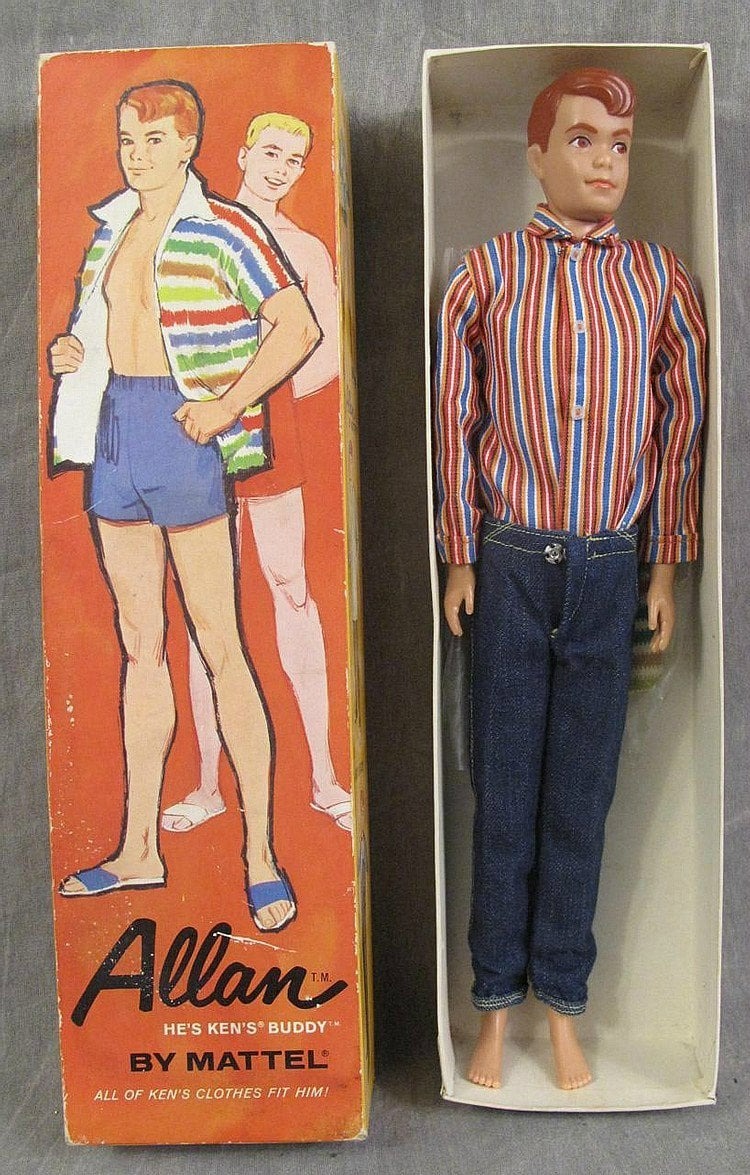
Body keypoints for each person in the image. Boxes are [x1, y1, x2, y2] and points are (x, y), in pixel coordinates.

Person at [434, 68, 706, 1089]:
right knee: (503, 798)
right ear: (538, 155)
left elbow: (680, 432)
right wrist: (459, 554)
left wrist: (664, 567)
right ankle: (492, 1007)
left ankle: (562, 1007)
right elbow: (453, 423)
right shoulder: (486, 275)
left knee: (580, 804)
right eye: (583, 140)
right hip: (509, 562)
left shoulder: (661, 283)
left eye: (621, 145)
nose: (605, 163)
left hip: (608, 568)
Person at [48, 81, 321, 932]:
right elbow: (106, 327)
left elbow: (298, 327)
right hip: (114, 432)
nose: (137, 155)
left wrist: (226, 403)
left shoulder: (225, 228)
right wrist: (74, 352)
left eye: (155, 140)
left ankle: (261, 857)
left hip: (182, 432)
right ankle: (138, 849)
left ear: (189, 145)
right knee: (141, 644)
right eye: (128, 140)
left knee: (221, 645)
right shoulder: (110, 229)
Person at [162, 112, 352, 836]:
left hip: (273, 434)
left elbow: (325, 350)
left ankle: (325, 779)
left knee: (289, 587)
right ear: (243, 154)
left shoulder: (304, 248)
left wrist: (252, 393)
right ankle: (208, 784)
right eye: (270, 152)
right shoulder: (198, 227)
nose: (280, 168)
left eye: (294, 160)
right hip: (193, 435)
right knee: (207, 604)